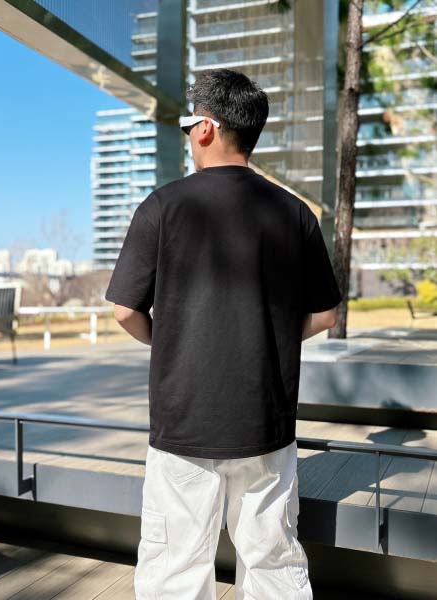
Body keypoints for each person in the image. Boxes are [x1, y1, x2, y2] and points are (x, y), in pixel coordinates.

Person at [105, 68, 342, 600]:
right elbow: (326, 315)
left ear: (207, 127)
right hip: (266, 423)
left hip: (184, 423)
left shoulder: (162, 206)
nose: (188, 136)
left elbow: (124, 311)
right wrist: (273, 335)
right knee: (274, 563)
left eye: (188, 125)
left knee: (175, 569)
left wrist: (168, 340)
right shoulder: (295, 214)